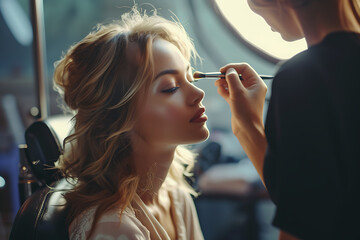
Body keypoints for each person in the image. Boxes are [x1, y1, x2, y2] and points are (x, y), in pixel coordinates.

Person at [53, 7, 208, 240]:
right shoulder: (113, 230)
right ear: (120, 116)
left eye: (189, 76)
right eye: (170, 87)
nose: (198, 93)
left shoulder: (177, 198)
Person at [214, 0, 360, 239]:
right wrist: (246, 127)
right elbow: (301, 198)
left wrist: (248, 126)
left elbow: (302, 226)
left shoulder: (304, 77)